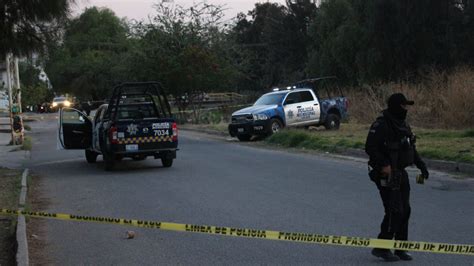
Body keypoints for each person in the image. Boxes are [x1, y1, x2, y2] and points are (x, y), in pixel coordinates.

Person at [365, 93, 429, 262]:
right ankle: (382, 247)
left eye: (407, 106)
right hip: (387, 173)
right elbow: (370, 147)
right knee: (395, 210)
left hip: (400, 172)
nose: (406, 109)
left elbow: (410, 149)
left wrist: (422, 165)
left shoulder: (403, 125)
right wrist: (384, 164)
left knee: (405, 210)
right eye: (403, 106)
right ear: (395, 106)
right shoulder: (381, 124)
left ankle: (401, 248)